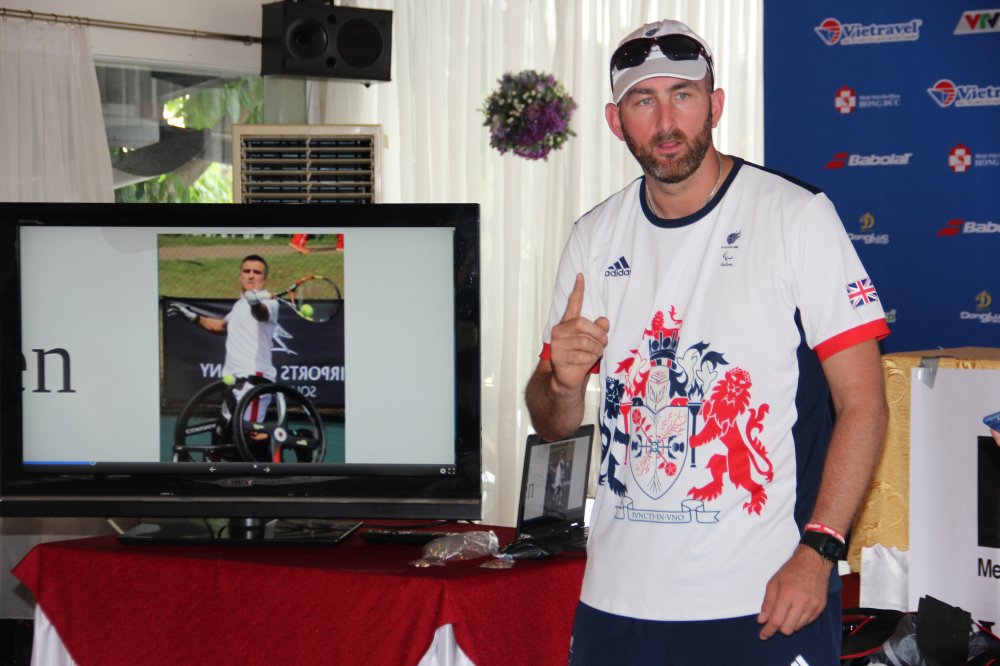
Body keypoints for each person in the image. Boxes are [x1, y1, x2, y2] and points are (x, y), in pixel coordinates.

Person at [524, 19, 889, 666]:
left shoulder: (795, 216)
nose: (666, 121)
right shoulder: (594, 237)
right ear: (616, 121)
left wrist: (820, 549)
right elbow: (553, 424)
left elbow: (864, 402)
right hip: (618, 602)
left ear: (715, 105)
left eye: (683, 96)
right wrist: (562, 382)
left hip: (764, 598)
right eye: (644, 101)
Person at [168, 254, 280, 427]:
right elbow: (221, 326)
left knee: (251, 435)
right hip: (232, 380)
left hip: (255, 379)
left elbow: (261, 314)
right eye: (246, 271)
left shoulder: (269, 302)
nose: (251, 276)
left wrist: (254, 302)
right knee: (228, 432)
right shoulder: (239, 305)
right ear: (240, 276)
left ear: (264, 279)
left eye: (257, 272)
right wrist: (194, 318)